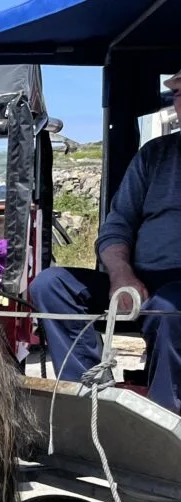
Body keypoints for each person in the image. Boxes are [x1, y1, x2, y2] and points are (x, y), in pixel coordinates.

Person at [28, 68, 181, 410]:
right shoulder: (153, 155)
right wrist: (121, 273)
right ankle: (92, 400)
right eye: (179, 95)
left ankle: (165, 419)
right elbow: (118, 225)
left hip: (173, 296)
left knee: (168, 307)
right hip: (138, 282)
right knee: (50, 285)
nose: (179, 103)